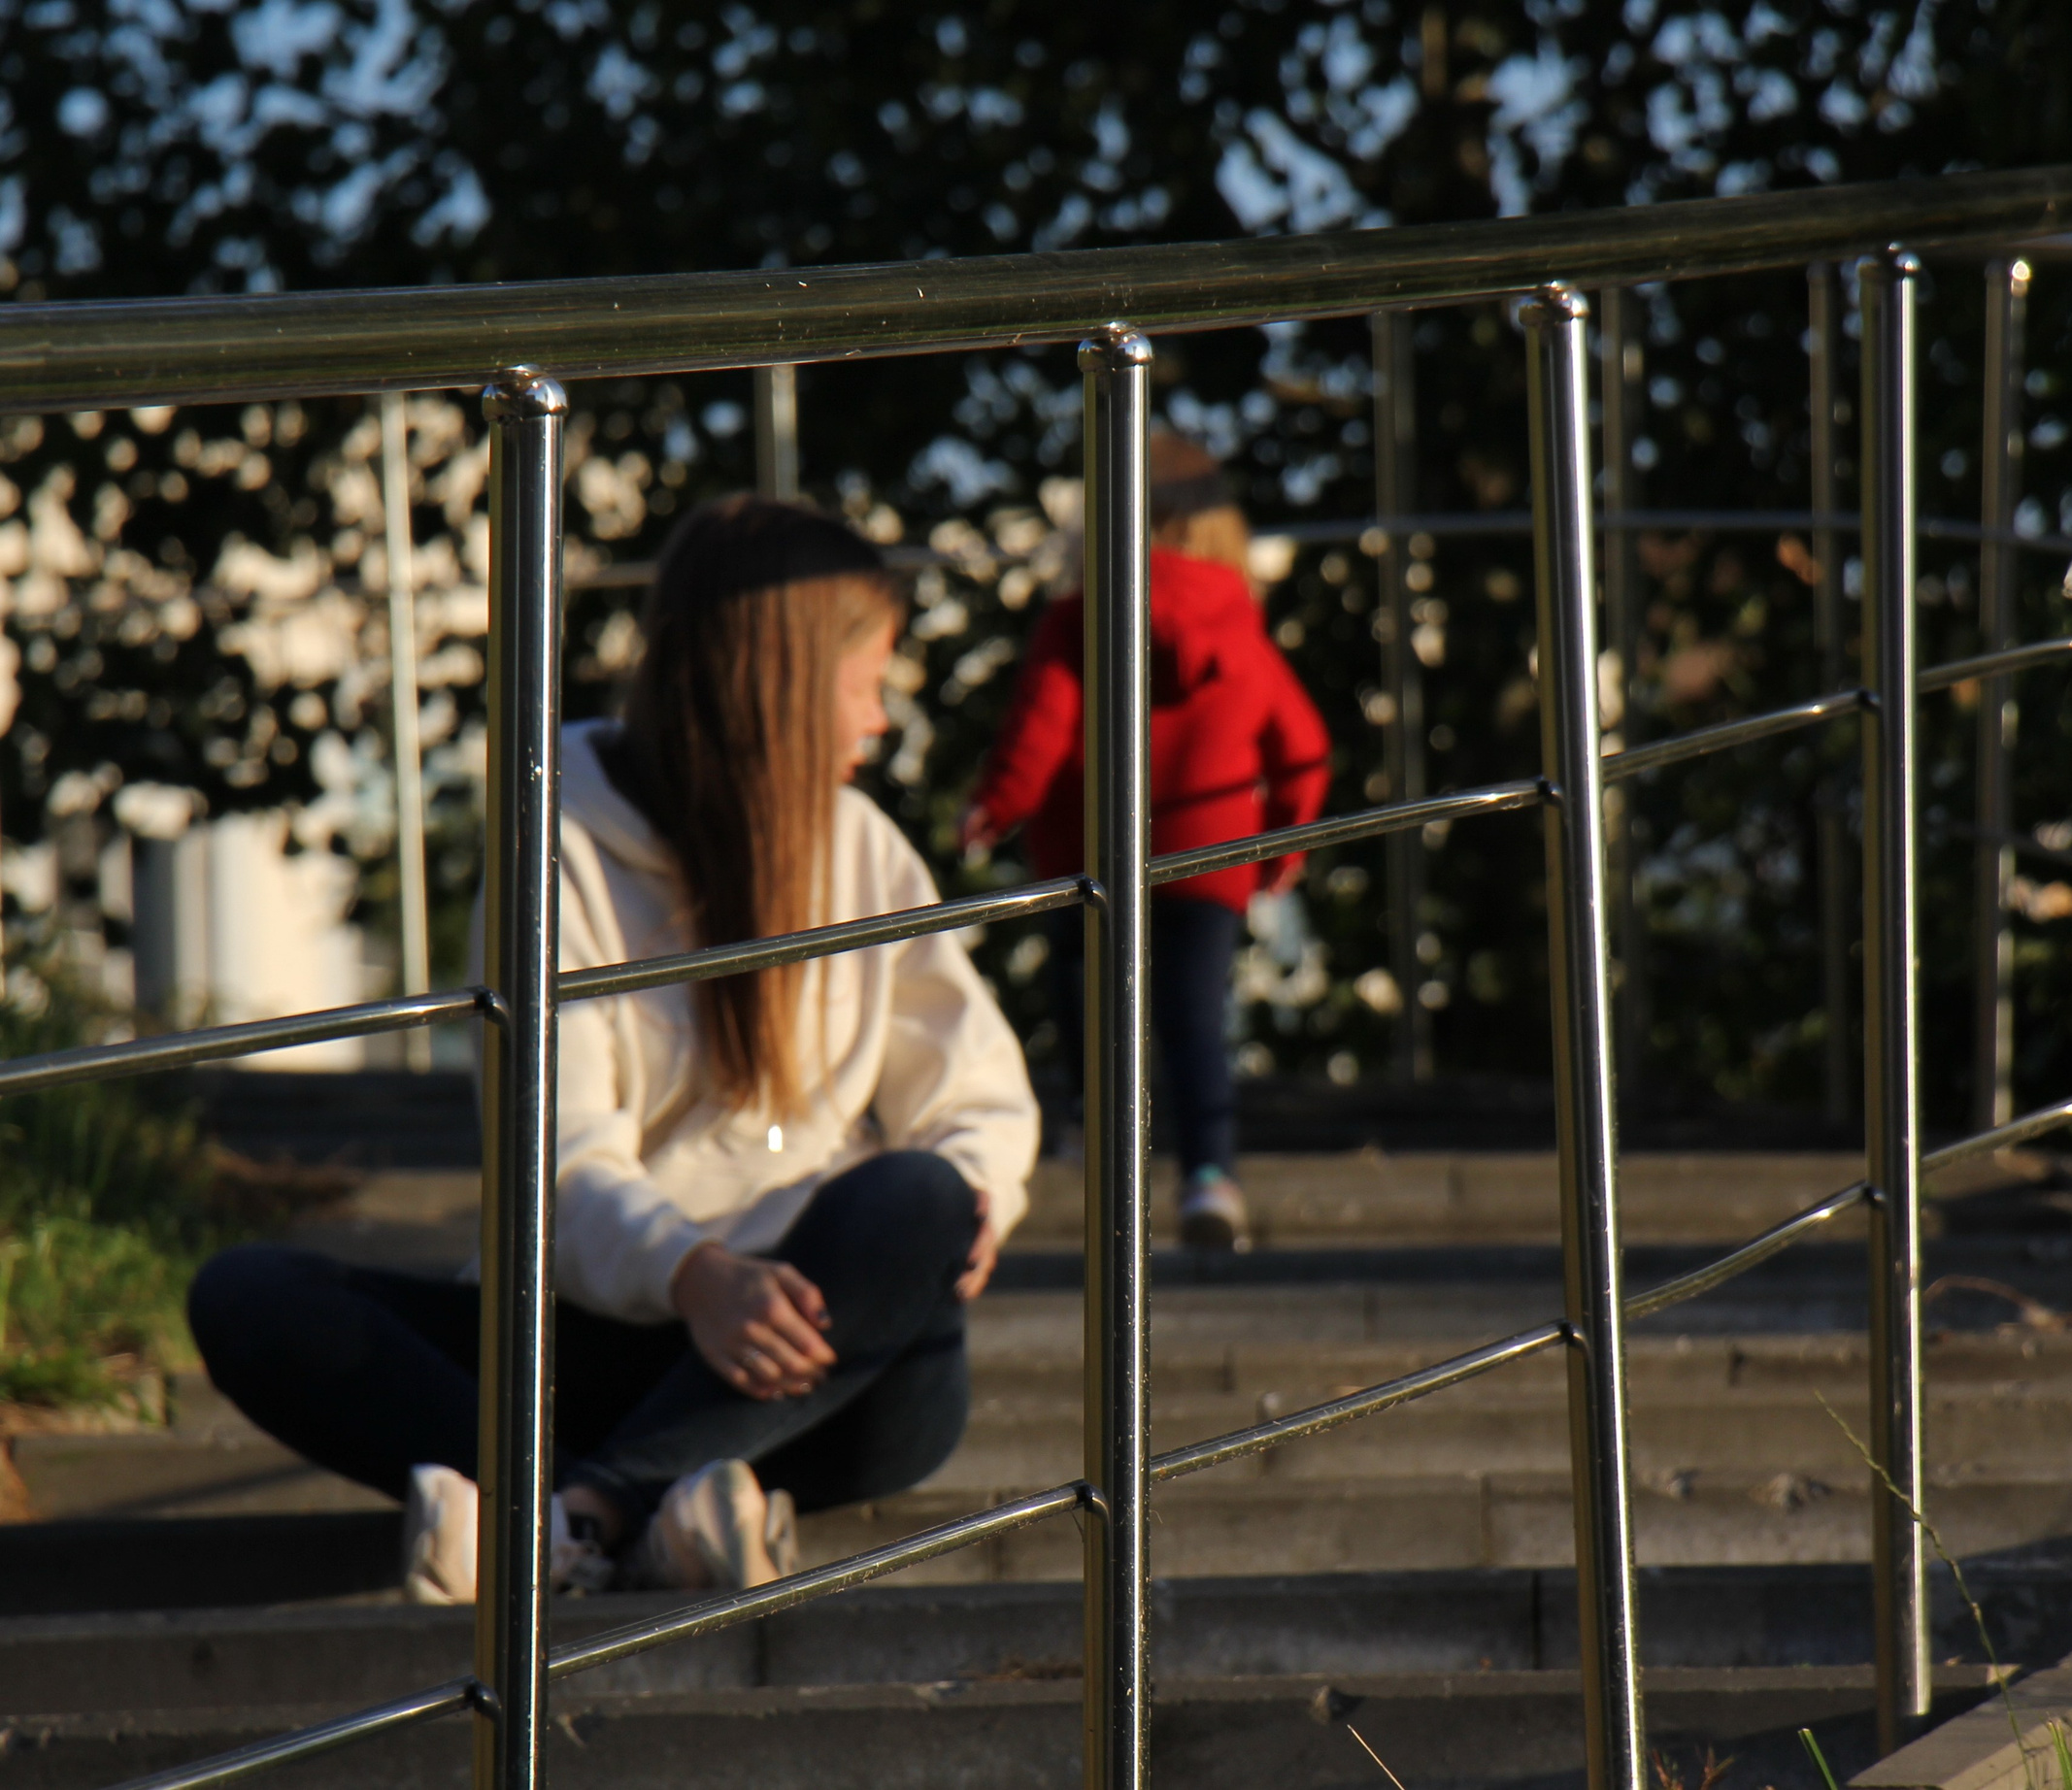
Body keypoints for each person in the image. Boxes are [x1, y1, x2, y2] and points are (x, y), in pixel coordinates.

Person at [189, 497, 1039, 1600]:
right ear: (777, 686)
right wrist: (693, 1275)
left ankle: (566, 1516)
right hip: (585, 1338)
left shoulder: (864, 851)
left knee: (925, 1198)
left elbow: (976, 1086)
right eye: (866, 683)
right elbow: (562, 1155)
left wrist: (977, 1190)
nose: (880, 722)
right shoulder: (560, 836)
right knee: (249, 1294)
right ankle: (656, 1508)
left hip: (792, 1367)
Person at [961, 435, 1329, 1250]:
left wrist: (994, 806)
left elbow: (1040, 733)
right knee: (1197, 1020)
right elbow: (1301, 745)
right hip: (1209, 853)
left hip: (1090, 855)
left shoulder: (1078, 620)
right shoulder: (1241, 626)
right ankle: (1210, 1178)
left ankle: (1104, 1151)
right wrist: (1283, 846)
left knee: (1090, 1004)